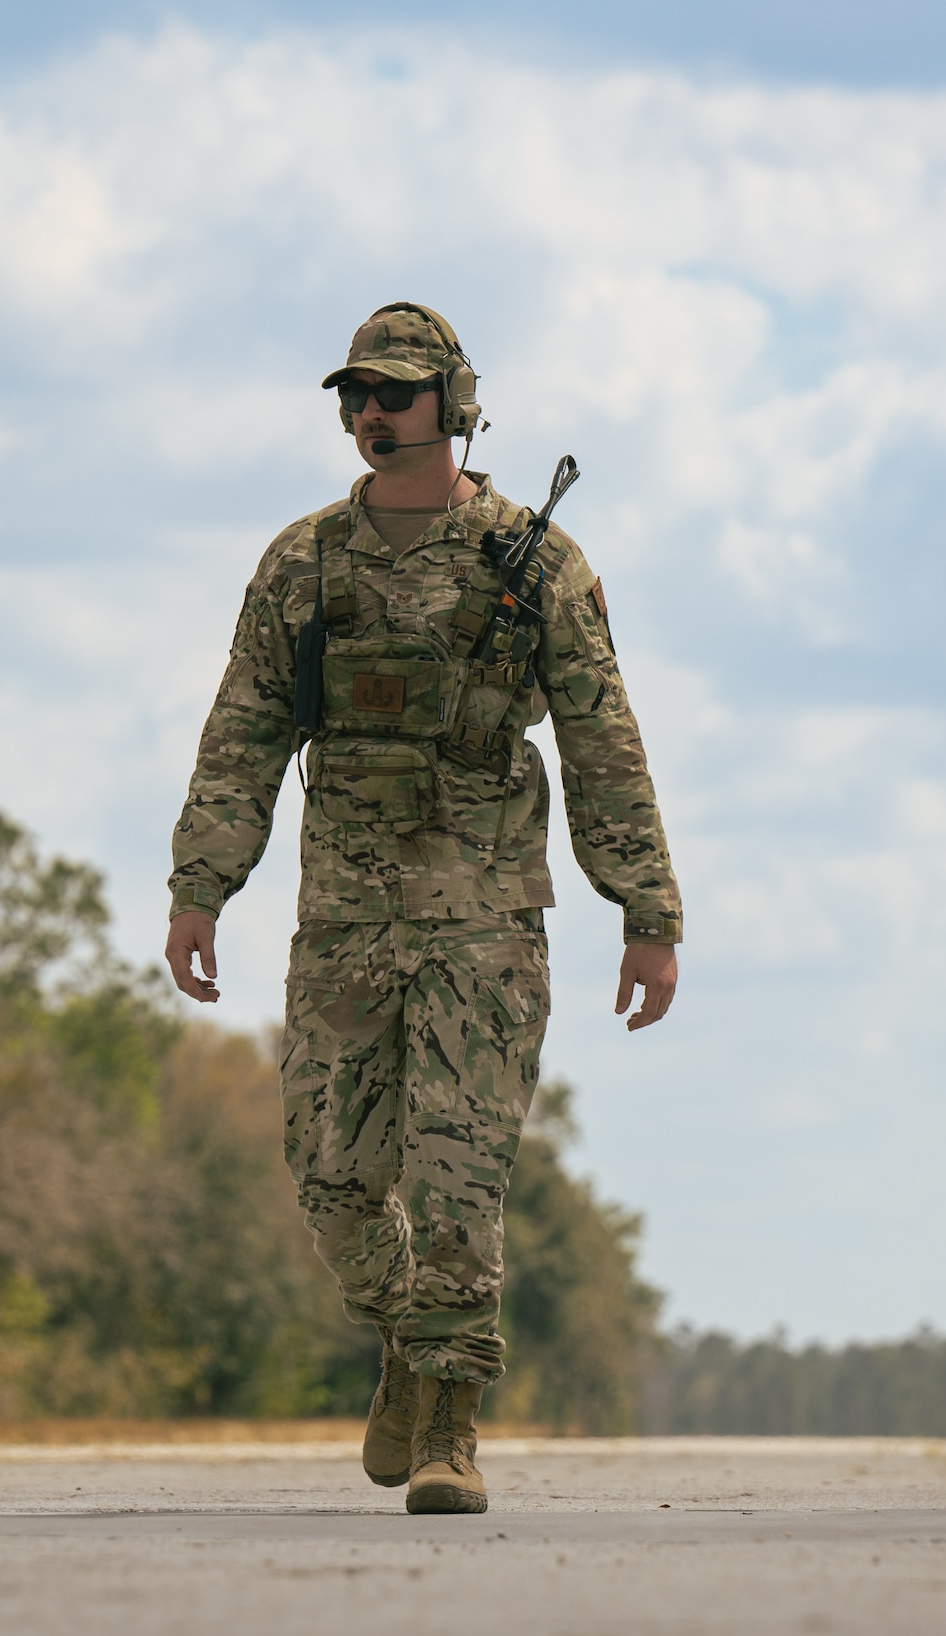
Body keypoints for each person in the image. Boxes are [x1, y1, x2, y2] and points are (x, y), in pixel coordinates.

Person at [165, 302, 681, 1514]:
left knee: (460, 1170)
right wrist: (201, 885)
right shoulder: (304, 564)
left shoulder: (534, 564)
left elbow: (605, 741)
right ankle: (404, 1332)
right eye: (354, 395)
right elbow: (242, 734)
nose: (369, 414)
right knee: (329, 1172)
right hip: (344, 913)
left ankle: (449, 1421)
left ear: (453, 404)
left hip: (484, 916)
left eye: (393, 393)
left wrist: (645, 907)